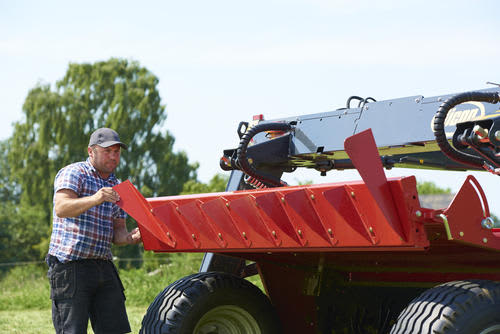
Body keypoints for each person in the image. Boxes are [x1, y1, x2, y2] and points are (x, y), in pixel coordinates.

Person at [46, 128, 142, 334]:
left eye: (116, 152)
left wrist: (132, 237)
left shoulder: (117, 186)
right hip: (70, 266)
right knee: (72, 331)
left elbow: (118, 234)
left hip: (103, 266)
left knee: (115, 330)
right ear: (91, 152)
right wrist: (96, 198)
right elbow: (61, 208)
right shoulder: (74, 172)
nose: (113, 156)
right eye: (107, 151)